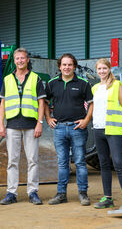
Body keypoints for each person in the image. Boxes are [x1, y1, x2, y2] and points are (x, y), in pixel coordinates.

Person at [0, 48, 46, 205]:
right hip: (12, 125)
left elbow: (41, 102)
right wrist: (1, 124)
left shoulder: (35, 78)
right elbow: (3, 103)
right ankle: (11, 193)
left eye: (22, 58)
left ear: (27, 60)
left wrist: (40, 123)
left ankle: (32, 192)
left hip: (31, 125)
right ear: (14, 60)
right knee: (12, 160)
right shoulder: (7, 79)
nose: (20, 61)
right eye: (17, 58)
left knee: (33, 160)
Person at [45, 53, 93, 206]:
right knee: (62, 163)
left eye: (70, 65)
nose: (66, 67)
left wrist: (86, 120)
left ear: (74, 66)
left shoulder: (83, 83)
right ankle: (61, 194)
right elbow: (44, 102)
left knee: (80, 162)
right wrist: (48, 118)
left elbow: (91, 104)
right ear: (59, 66)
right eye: (64, 65)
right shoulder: (52, 84)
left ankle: (83, 194)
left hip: (77, 128)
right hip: (59, 128)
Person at [92, 58, 122, 209]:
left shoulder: (116, 85)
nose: (102, 71)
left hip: (113, 130)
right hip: (98, 128)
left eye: (104, 68)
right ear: (97, 71)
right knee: (104, 164)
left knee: (118, 163)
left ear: (109, 69)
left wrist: (118, 125)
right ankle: (107, 198)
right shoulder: (95, 88)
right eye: (99, 69)